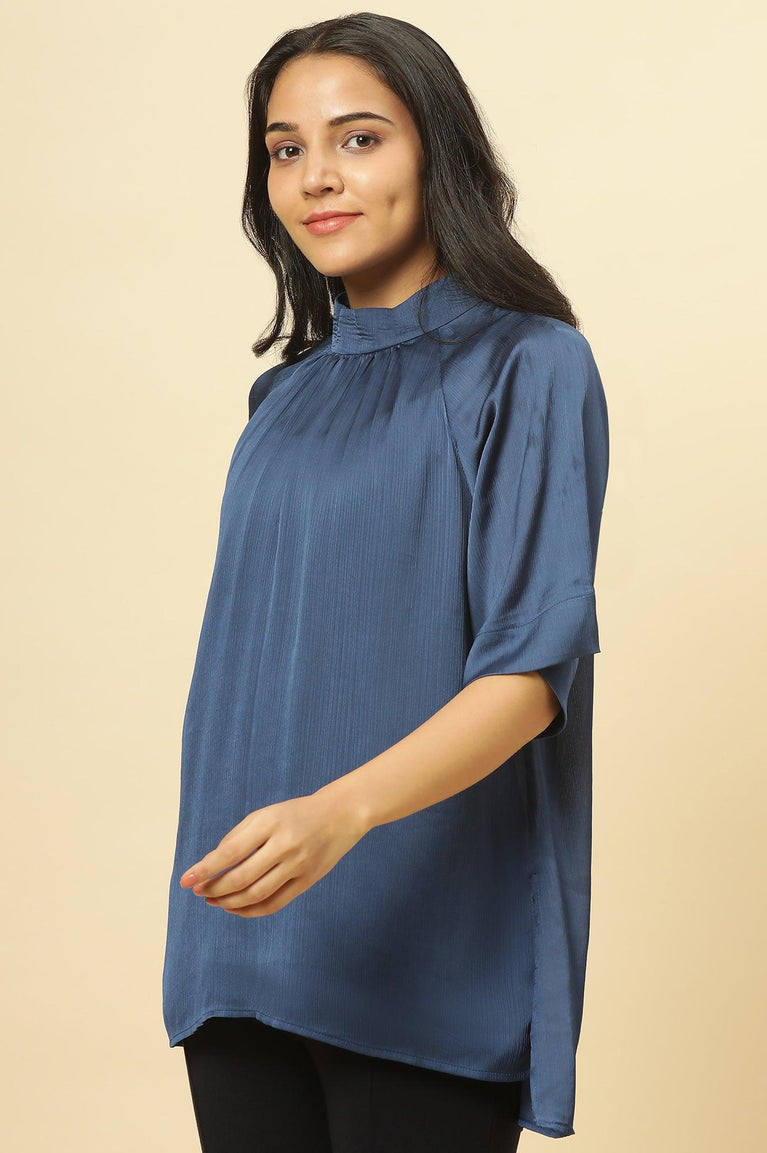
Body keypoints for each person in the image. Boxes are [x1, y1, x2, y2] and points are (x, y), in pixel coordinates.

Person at [162, 13, 610, 1152]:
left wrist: (340, 812)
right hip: (237, 932)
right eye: (285, 149)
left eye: (358, 139)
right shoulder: (282, 399)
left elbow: (529, 675)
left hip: (423, 947)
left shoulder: (527, 363)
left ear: (435, 148)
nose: (316, 176)